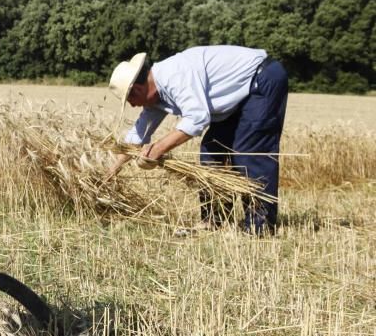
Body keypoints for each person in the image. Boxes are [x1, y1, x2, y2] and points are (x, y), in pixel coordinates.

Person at [106, 46, 288, 234]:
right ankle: (214, 221)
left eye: (130, 100)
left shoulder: (175, 75)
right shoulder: (156, 97)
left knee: (249, 153)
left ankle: (261, 226)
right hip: (238, 97)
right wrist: (111, 171)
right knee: (212, 151)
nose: (133, 105)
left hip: (261, 80)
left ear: (136, 90)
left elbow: (197, 119)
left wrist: (158, 149)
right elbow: (138, 134)